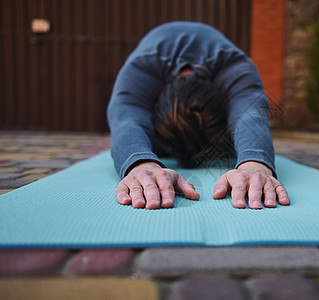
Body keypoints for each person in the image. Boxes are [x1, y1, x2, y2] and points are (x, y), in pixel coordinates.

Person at [107, 21, 289, 210]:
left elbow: (249, 114)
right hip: (154, 65)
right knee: (149, 143)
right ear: (153, 107)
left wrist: (254, 164)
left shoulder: (235, 68)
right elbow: (126, 118)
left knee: (228, 145)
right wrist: (141, 164)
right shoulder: (141, 68)